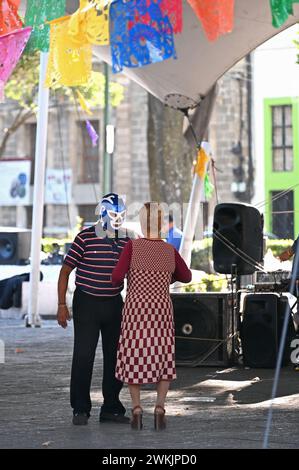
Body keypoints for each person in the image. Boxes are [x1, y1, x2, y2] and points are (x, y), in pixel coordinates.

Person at [112, 202, 192, 430]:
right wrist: (166, 279)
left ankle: (137, 408)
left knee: (133, 356)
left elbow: (116, 277)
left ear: (142, 222)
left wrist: (131, 277)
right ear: (162, 223)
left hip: (135, 311)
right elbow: (186, 276)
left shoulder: (132, 247)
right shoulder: (169, 250)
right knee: (163, 357)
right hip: (161, 310)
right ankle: (159, 408)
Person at [57, 193, 132, 425]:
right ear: (102, 213)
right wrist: (61, 304)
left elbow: (133, 274)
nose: (117, 219)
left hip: (113, 304)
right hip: (86, 303)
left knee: (115, 357)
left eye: (121, 215)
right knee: (83, 355)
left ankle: (111, 408)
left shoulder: (126, 240)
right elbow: (65, 271)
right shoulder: (85, 238)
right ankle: (80, 409)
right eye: (112, 214)